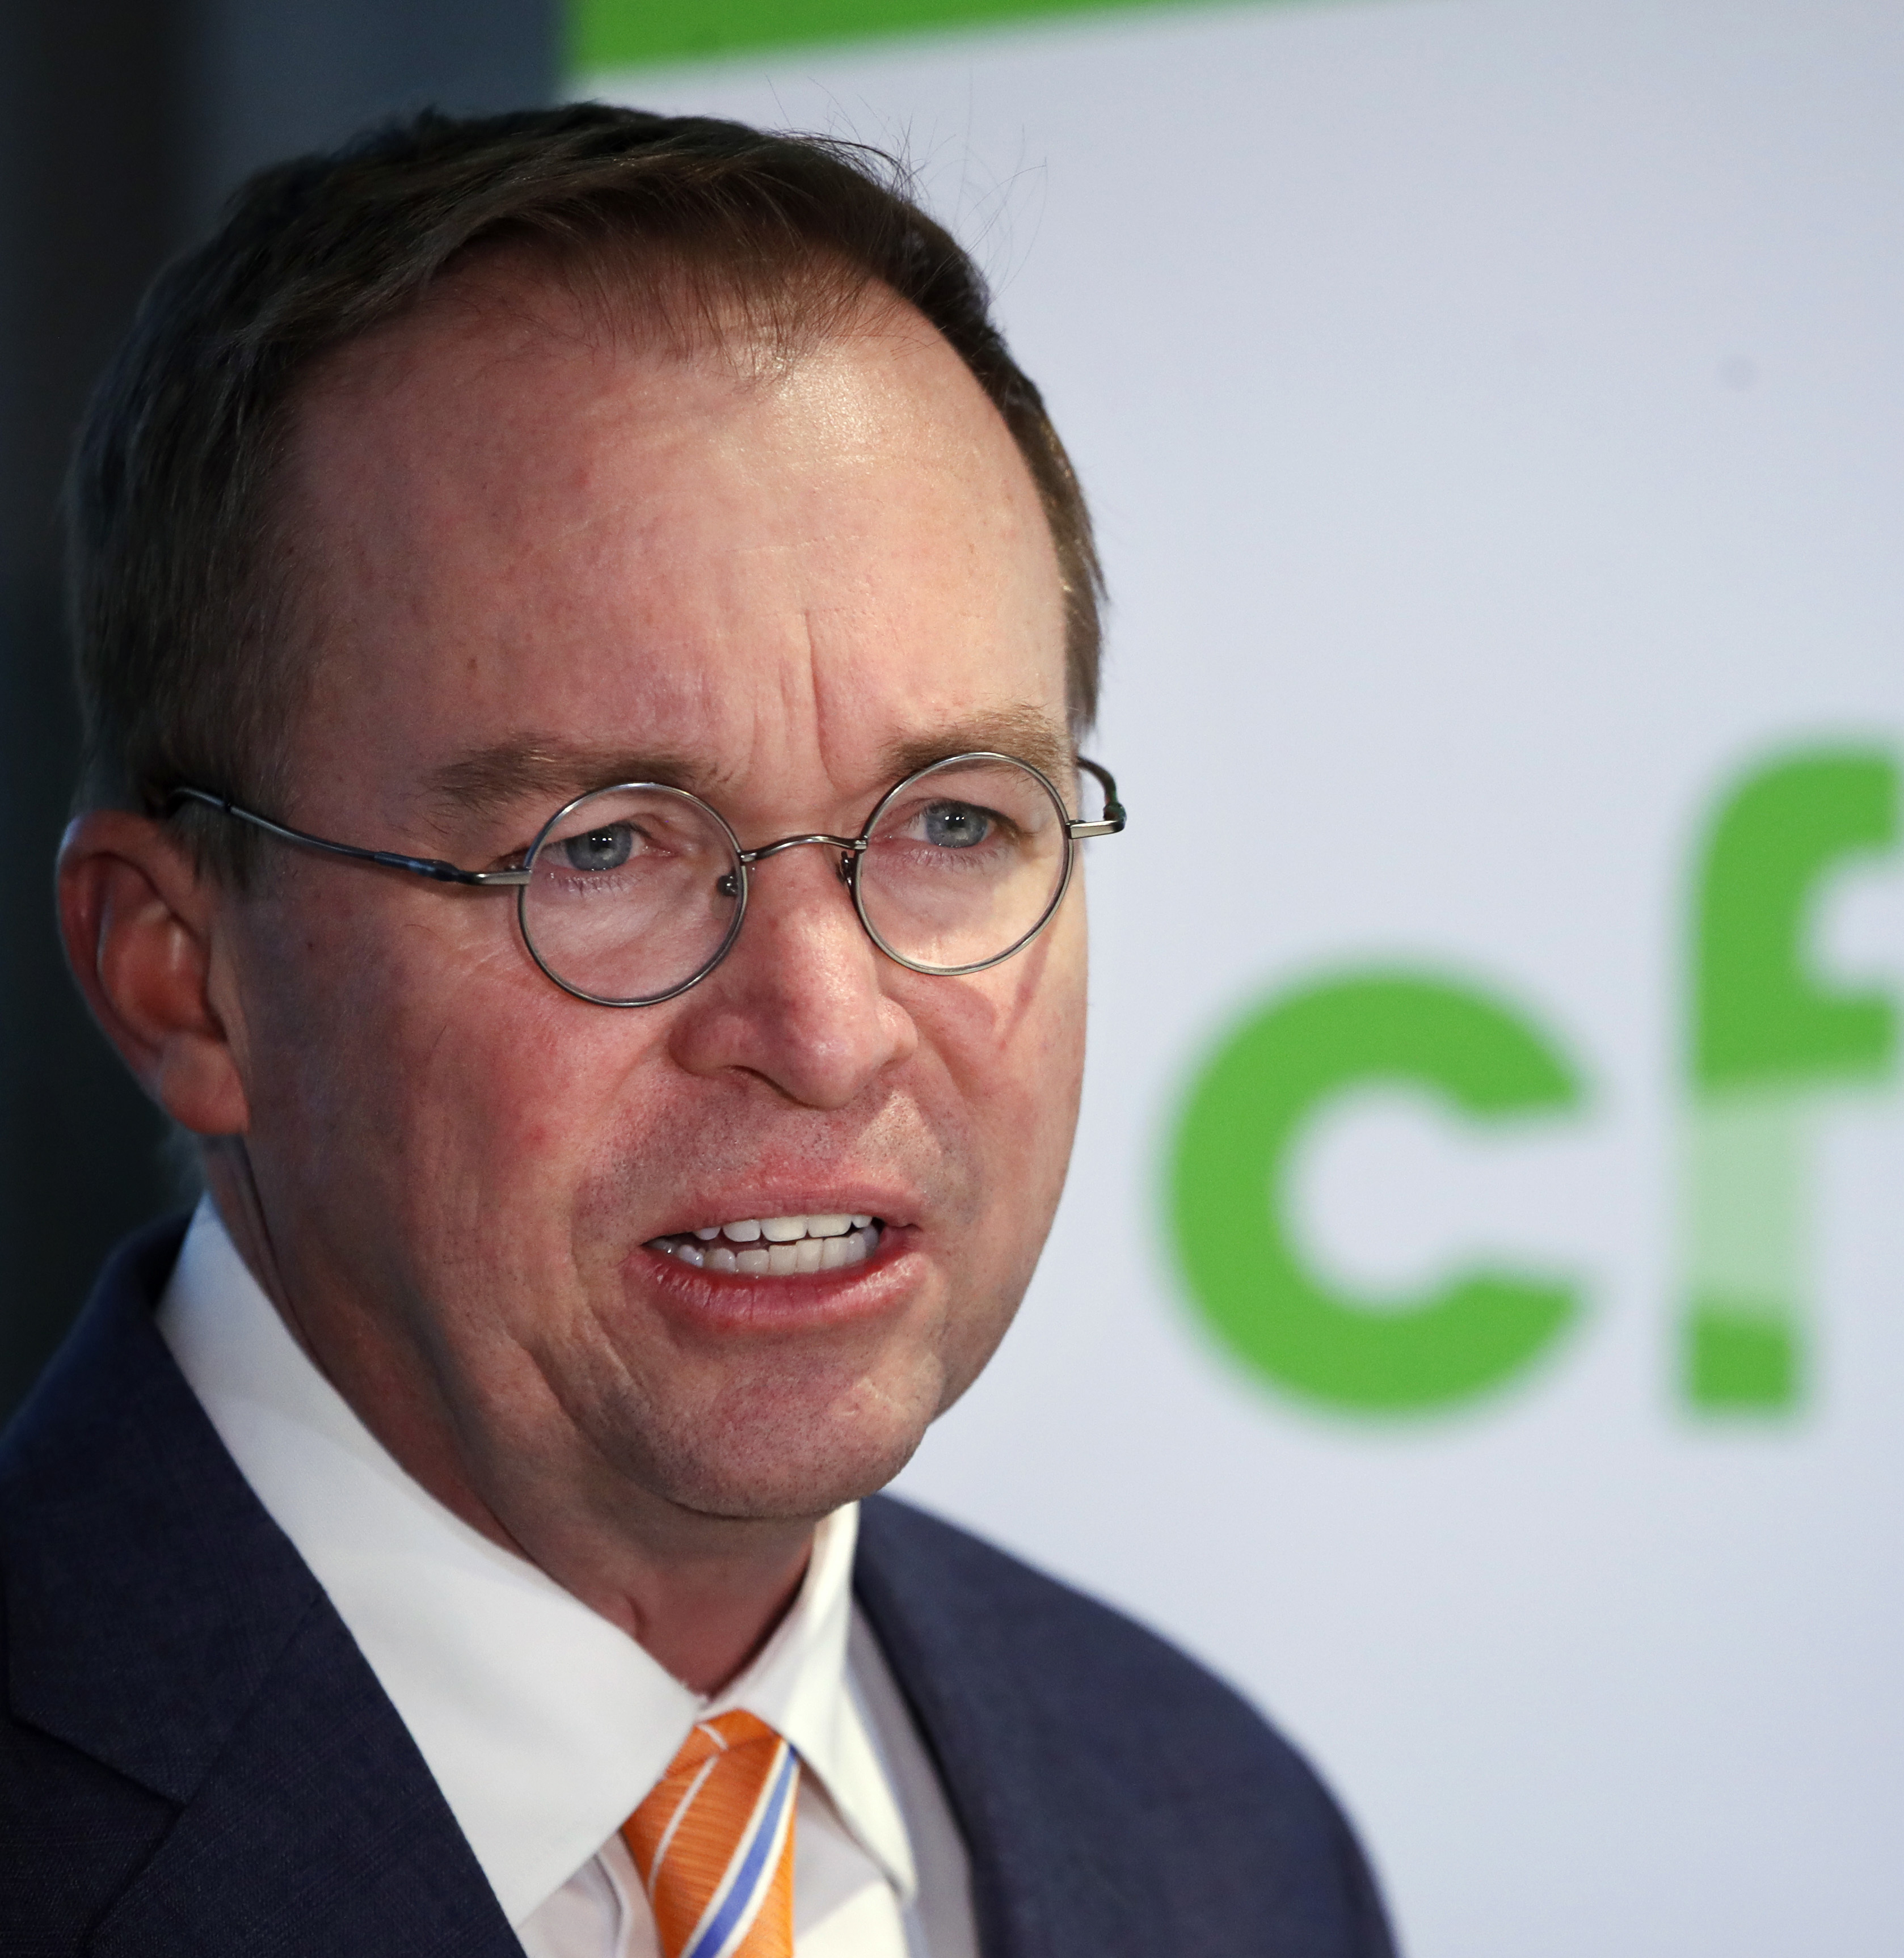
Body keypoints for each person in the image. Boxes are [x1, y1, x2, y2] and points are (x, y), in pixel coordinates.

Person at [0, 103, 1395, 1957]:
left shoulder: (1221, 1836)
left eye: (955, 821)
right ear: (182, 973)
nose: (824, 1029)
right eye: (605, 850)